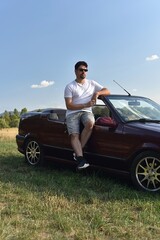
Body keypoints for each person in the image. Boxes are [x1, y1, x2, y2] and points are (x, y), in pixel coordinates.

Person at [64, 61, 110, 170]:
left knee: (90, 123)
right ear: (75, 71)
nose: (83, 72)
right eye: (81, 70)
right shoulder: (70, 86)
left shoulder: (92, 83)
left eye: (85, 70)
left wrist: (97, 93)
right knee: (74, 134)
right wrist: (85, 104)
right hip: (72, 113)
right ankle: (80, 159)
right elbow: (69, 105)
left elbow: (108, 91)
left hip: (86, 112)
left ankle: (77, 152)